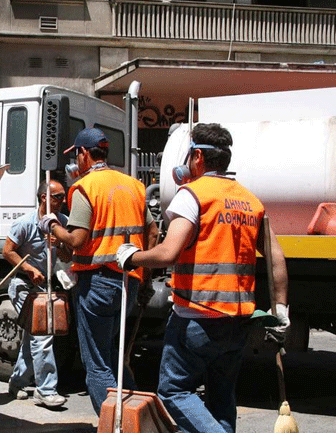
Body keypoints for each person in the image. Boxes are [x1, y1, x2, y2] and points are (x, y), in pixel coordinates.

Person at [115, 123, 289, 433]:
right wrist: (282, 309)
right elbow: (276, 257)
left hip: (197, 316)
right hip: (238, 323)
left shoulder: (193, 195)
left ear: (197, 156)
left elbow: (168, 253)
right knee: (221, 397)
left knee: (173, 391)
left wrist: (132, 257)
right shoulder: (250, 201)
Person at [42, 127, 158, 414]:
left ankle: (113, 423)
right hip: (128, 283)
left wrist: (52, 224)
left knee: (96, 363)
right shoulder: (133, 185)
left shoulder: (84, 187)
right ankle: (137, 420)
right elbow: (153, 234)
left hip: (97, 284)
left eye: (76, 156)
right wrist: (144, 279)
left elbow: (77, 240)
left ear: (83, 154)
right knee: (116, 356)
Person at [4, 179, 69, 408]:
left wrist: (60, 245)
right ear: (44, 198)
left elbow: (69, 256)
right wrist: (29, 269)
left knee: (35, 336)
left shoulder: (62, 223)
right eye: (58, 197)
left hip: (46, 288)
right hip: (24, 286)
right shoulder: (25, 223)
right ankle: (46, 390)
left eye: (64, 196)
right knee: (42, 336)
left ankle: (17, 381)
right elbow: (7, 251)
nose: (63, 201)